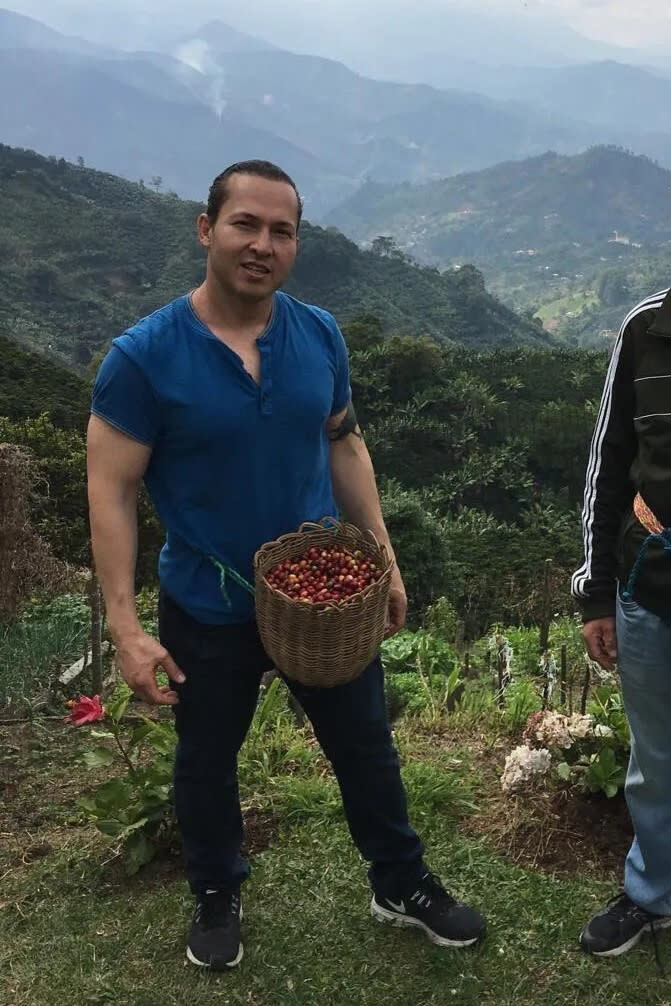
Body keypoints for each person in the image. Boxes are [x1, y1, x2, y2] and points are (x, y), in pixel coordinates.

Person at [87, 159, 486, 970]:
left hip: (321, 597)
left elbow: (343, 440)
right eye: (245, 224)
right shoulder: (142, 358)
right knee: (206, 754)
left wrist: (383, 556)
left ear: (297, 242)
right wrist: (125, 628)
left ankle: (399, 881)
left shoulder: (318, 334)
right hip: (207, 599)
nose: (262, 244)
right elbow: (113, 493)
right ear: (207, 230)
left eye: (281, 230)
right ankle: (213, 889)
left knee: (365, 743)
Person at [573, 285, 671, 958]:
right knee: (654, 757)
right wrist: (595, 595)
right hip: (649, 588)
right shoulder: (646, 328)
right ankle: (650, 891)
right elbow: (606, 468)